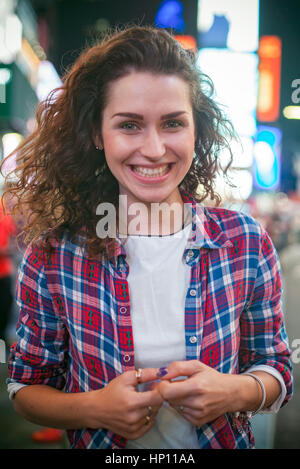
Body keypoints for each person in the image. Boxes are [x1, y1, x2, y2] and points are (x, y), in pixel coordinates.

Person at [2, 25, 293, 449]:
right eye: (130, 125)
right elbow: (25, 388)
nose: (154, 148)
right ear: (97, 135)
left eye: (173, 123)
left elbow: (277, 368)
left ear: (197, 131)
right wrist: (94, 407)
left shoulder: (245, 242)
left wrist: (233, 392)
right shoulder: (53, 255)